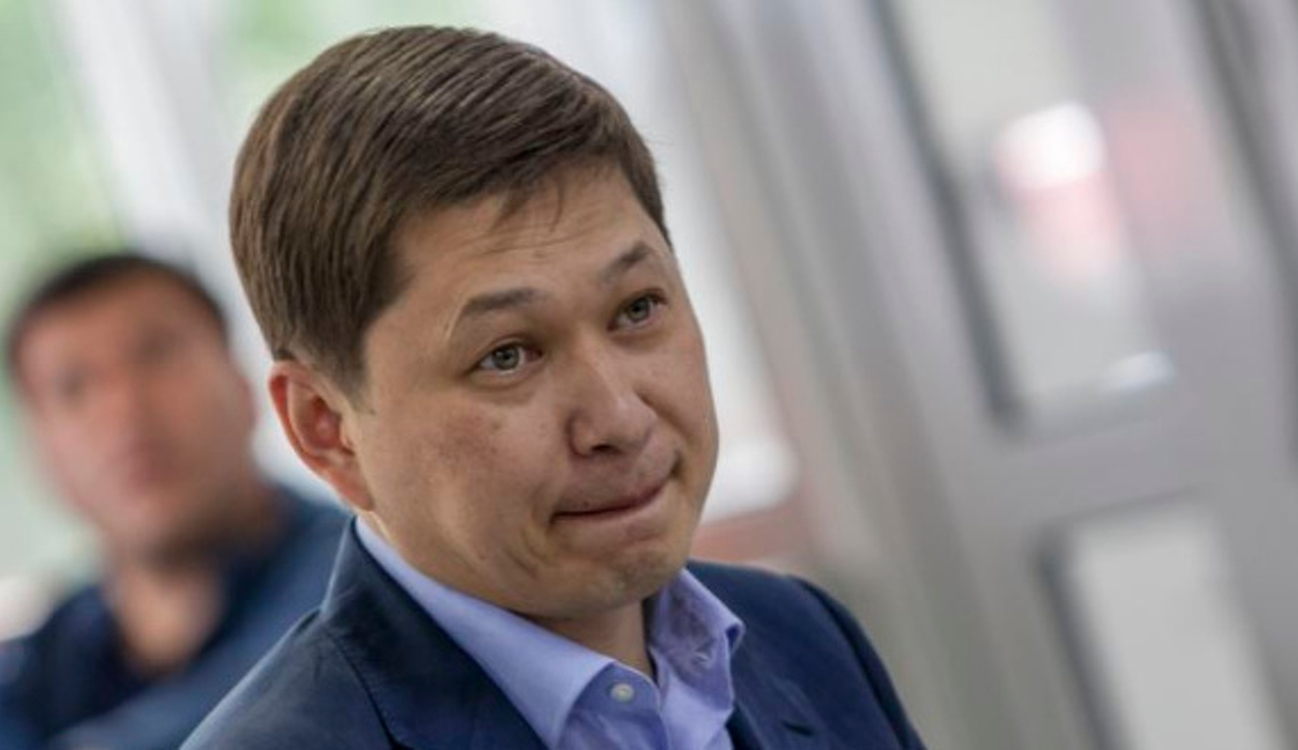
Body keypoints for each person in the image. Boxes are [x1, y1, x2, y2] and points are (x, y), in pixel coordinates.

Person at [185, 25, 926, 749]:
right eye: (507, 356)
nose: (620, 419)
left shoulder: (802, 636)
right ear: (328, 429)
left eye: (637, 309)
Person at [0, 254, 347, 750]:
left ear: (246, 387)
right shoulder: (28, 673)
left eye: (157, 355)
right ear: (41, 453)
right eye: (73, 387)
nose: (125, 410)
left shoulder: (360, 584)